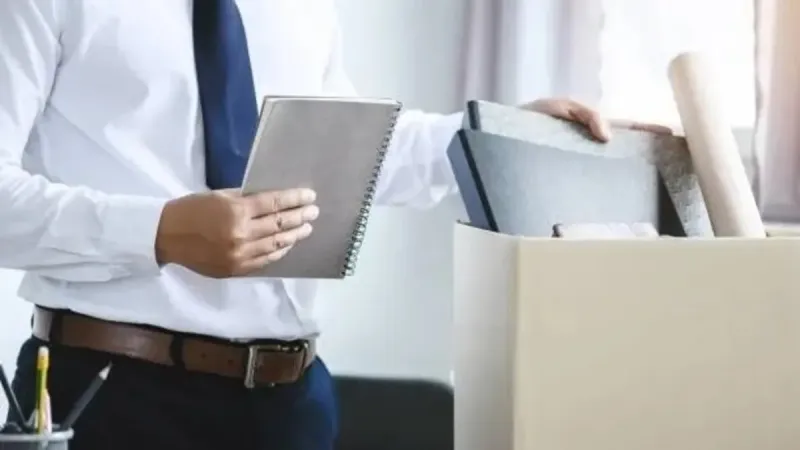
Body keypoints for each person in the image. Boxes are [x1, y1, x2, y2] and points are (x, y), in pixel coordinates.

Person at [0, 1, 667, 449]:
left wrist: (498, 134)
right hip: (107, 397)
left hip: (290, 405)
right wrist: (159, 232)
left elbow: (353, 150)